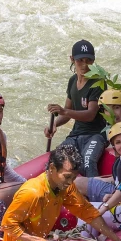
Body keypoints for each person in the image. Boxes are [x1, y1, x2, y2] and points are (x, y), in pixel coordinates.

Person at [45, 39, 108, 177]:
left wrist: (63, 111)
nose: (84, 65)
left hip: (96, 134)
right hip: (76, 134)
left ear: (94, 61)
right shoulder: (72, 81)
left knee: (88, 161)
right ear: (72, 59)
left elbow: (90, 114)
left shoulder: (98, 83)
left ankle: (95, 195)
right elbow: (67, 113)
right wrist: (54, 124)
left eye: (88, 60)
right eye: (80, 60)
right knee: (56, 158)